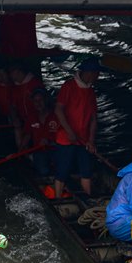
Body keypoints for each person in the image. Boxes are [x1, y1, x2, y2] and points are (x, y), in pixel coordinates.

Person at [52, 58, 102, 198]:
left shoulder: (90, 91)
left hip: (83, 140)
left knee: (86, 170)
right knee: (62, 171)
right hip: (65, 138)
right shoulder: (68, 86)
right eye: (96, 74)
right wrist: (69, 131)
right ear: (89, 73)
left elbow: (93, 118)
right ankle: (57, 199)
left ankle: (88, 200)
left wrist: (91, 140)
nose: (97, 77)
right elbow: (58, 110)